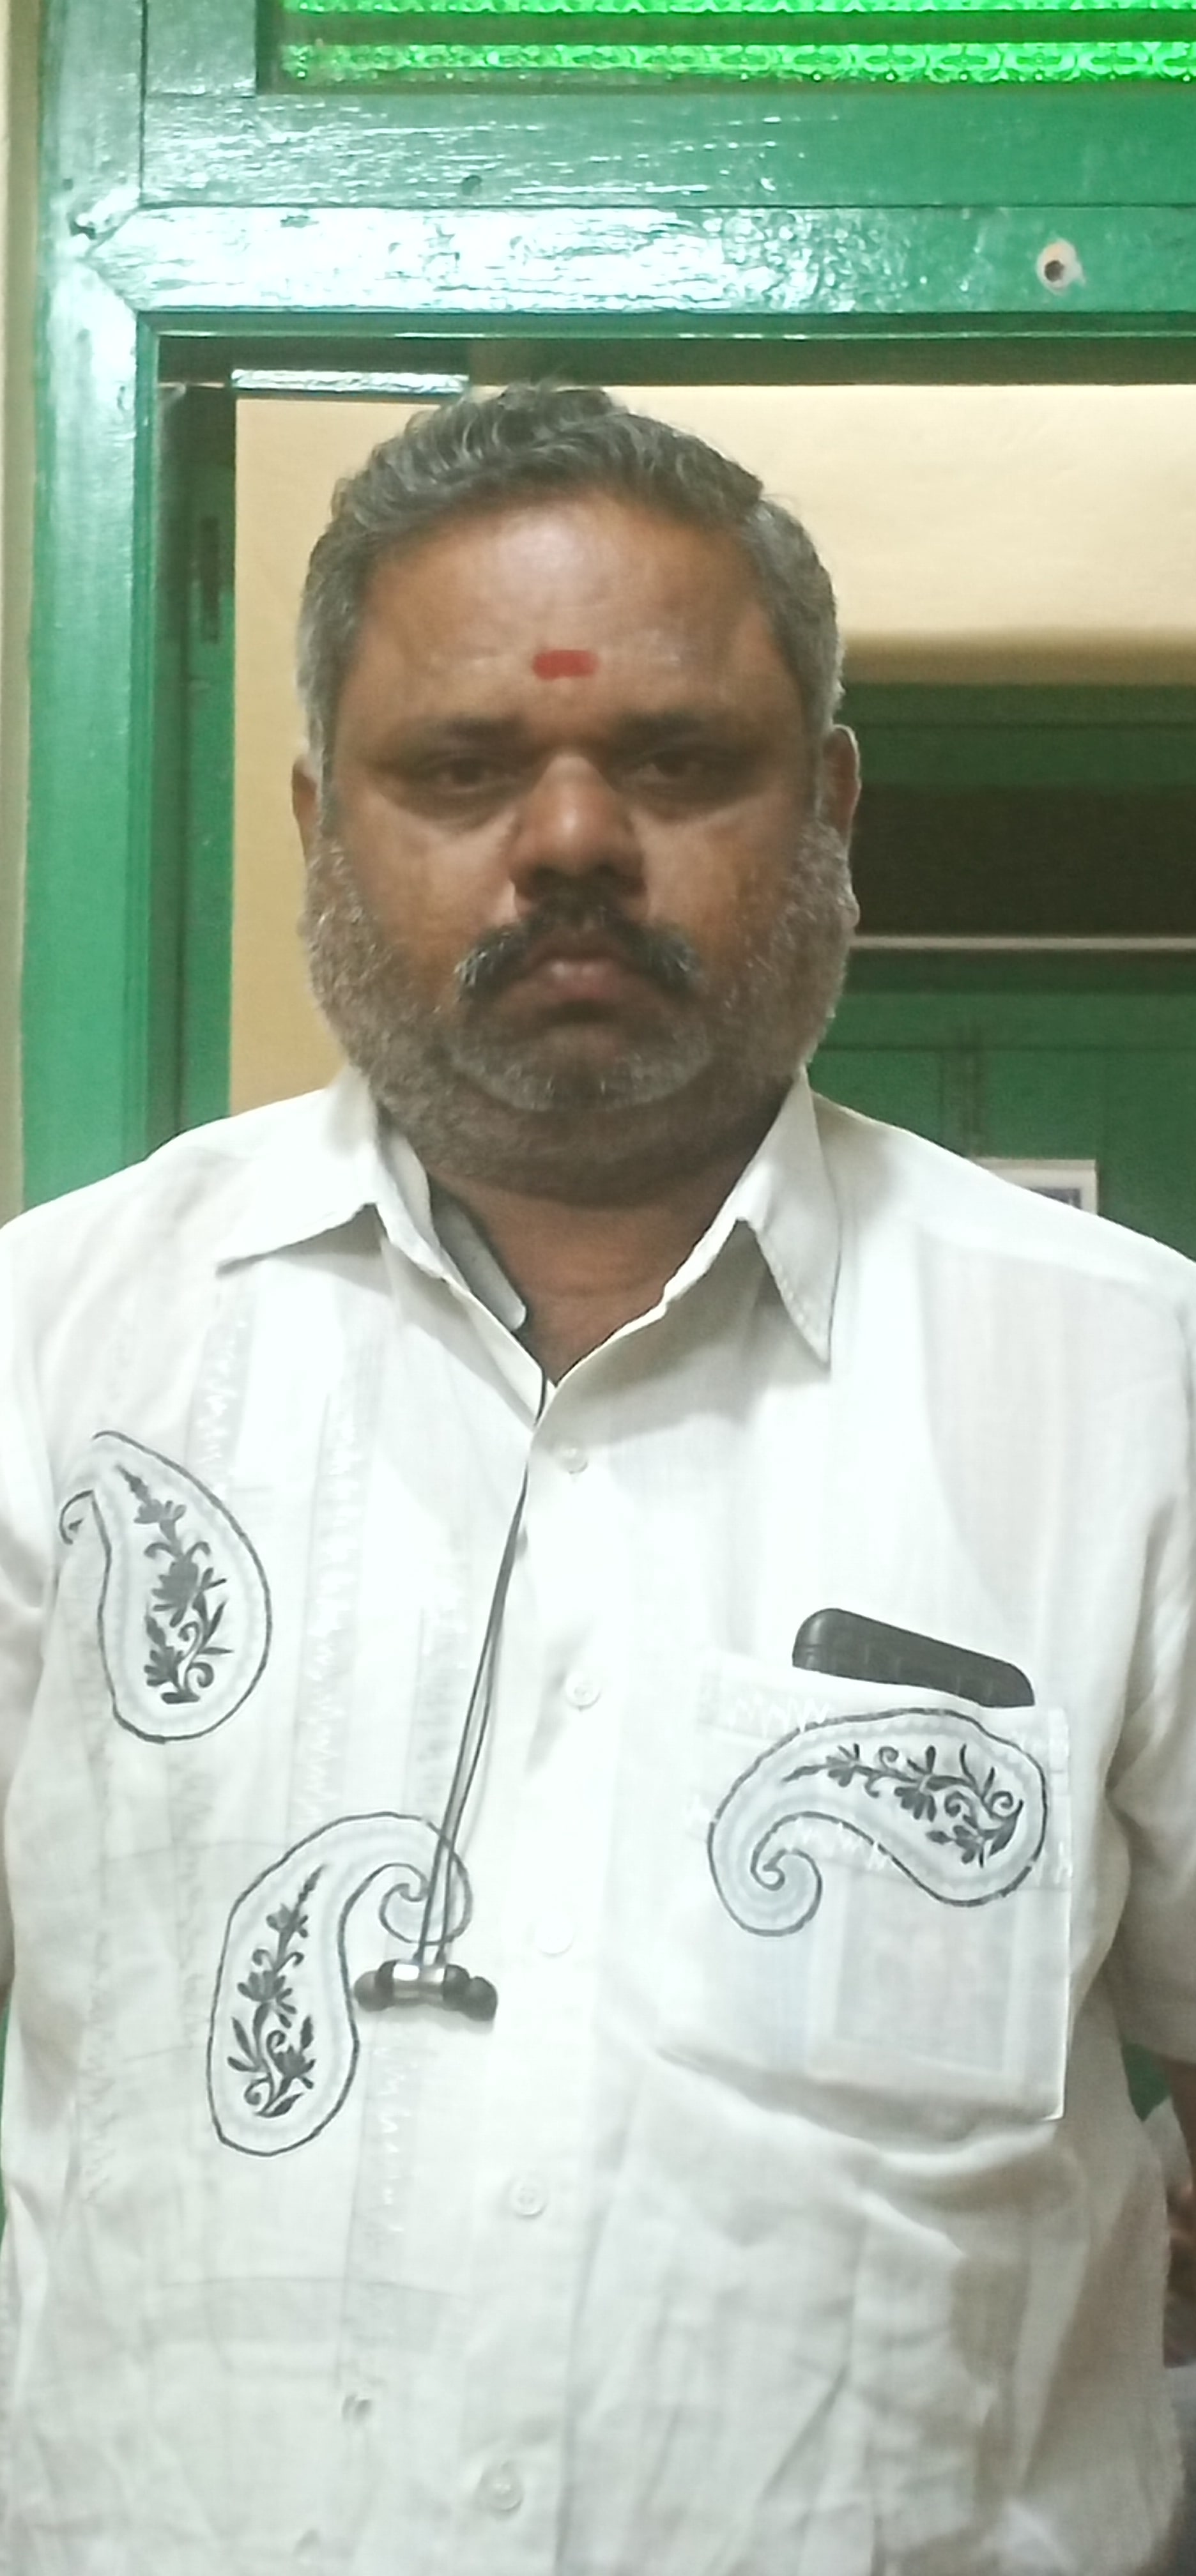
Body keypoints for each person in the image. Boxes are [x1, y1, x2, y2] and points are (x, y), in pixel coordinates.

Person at [0, 381, 1194, 2576]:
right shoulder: (51, 1357)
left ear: (829, 806)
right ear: (318, 821)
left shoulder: (1135, 1392)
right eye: (463, 768)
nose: (568, 841)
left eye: (678, 761)